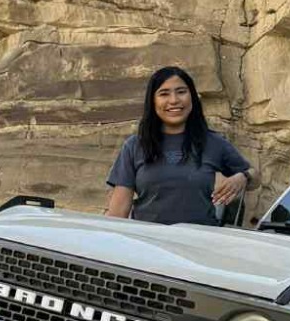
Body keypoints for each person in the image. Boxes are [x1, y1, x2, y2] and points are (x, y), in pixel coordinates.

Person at [104, 65, 252, 225]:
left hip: (200, 238)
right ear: (152, 101)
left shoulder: (213, 142)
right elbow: (119, 211)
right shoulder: (135, 146)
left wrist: (243, 177)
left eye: (181, 92)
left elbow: (254, 175)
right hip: (149, 238)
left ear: (192, 97)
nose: (174, 100)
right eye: (164, 94)